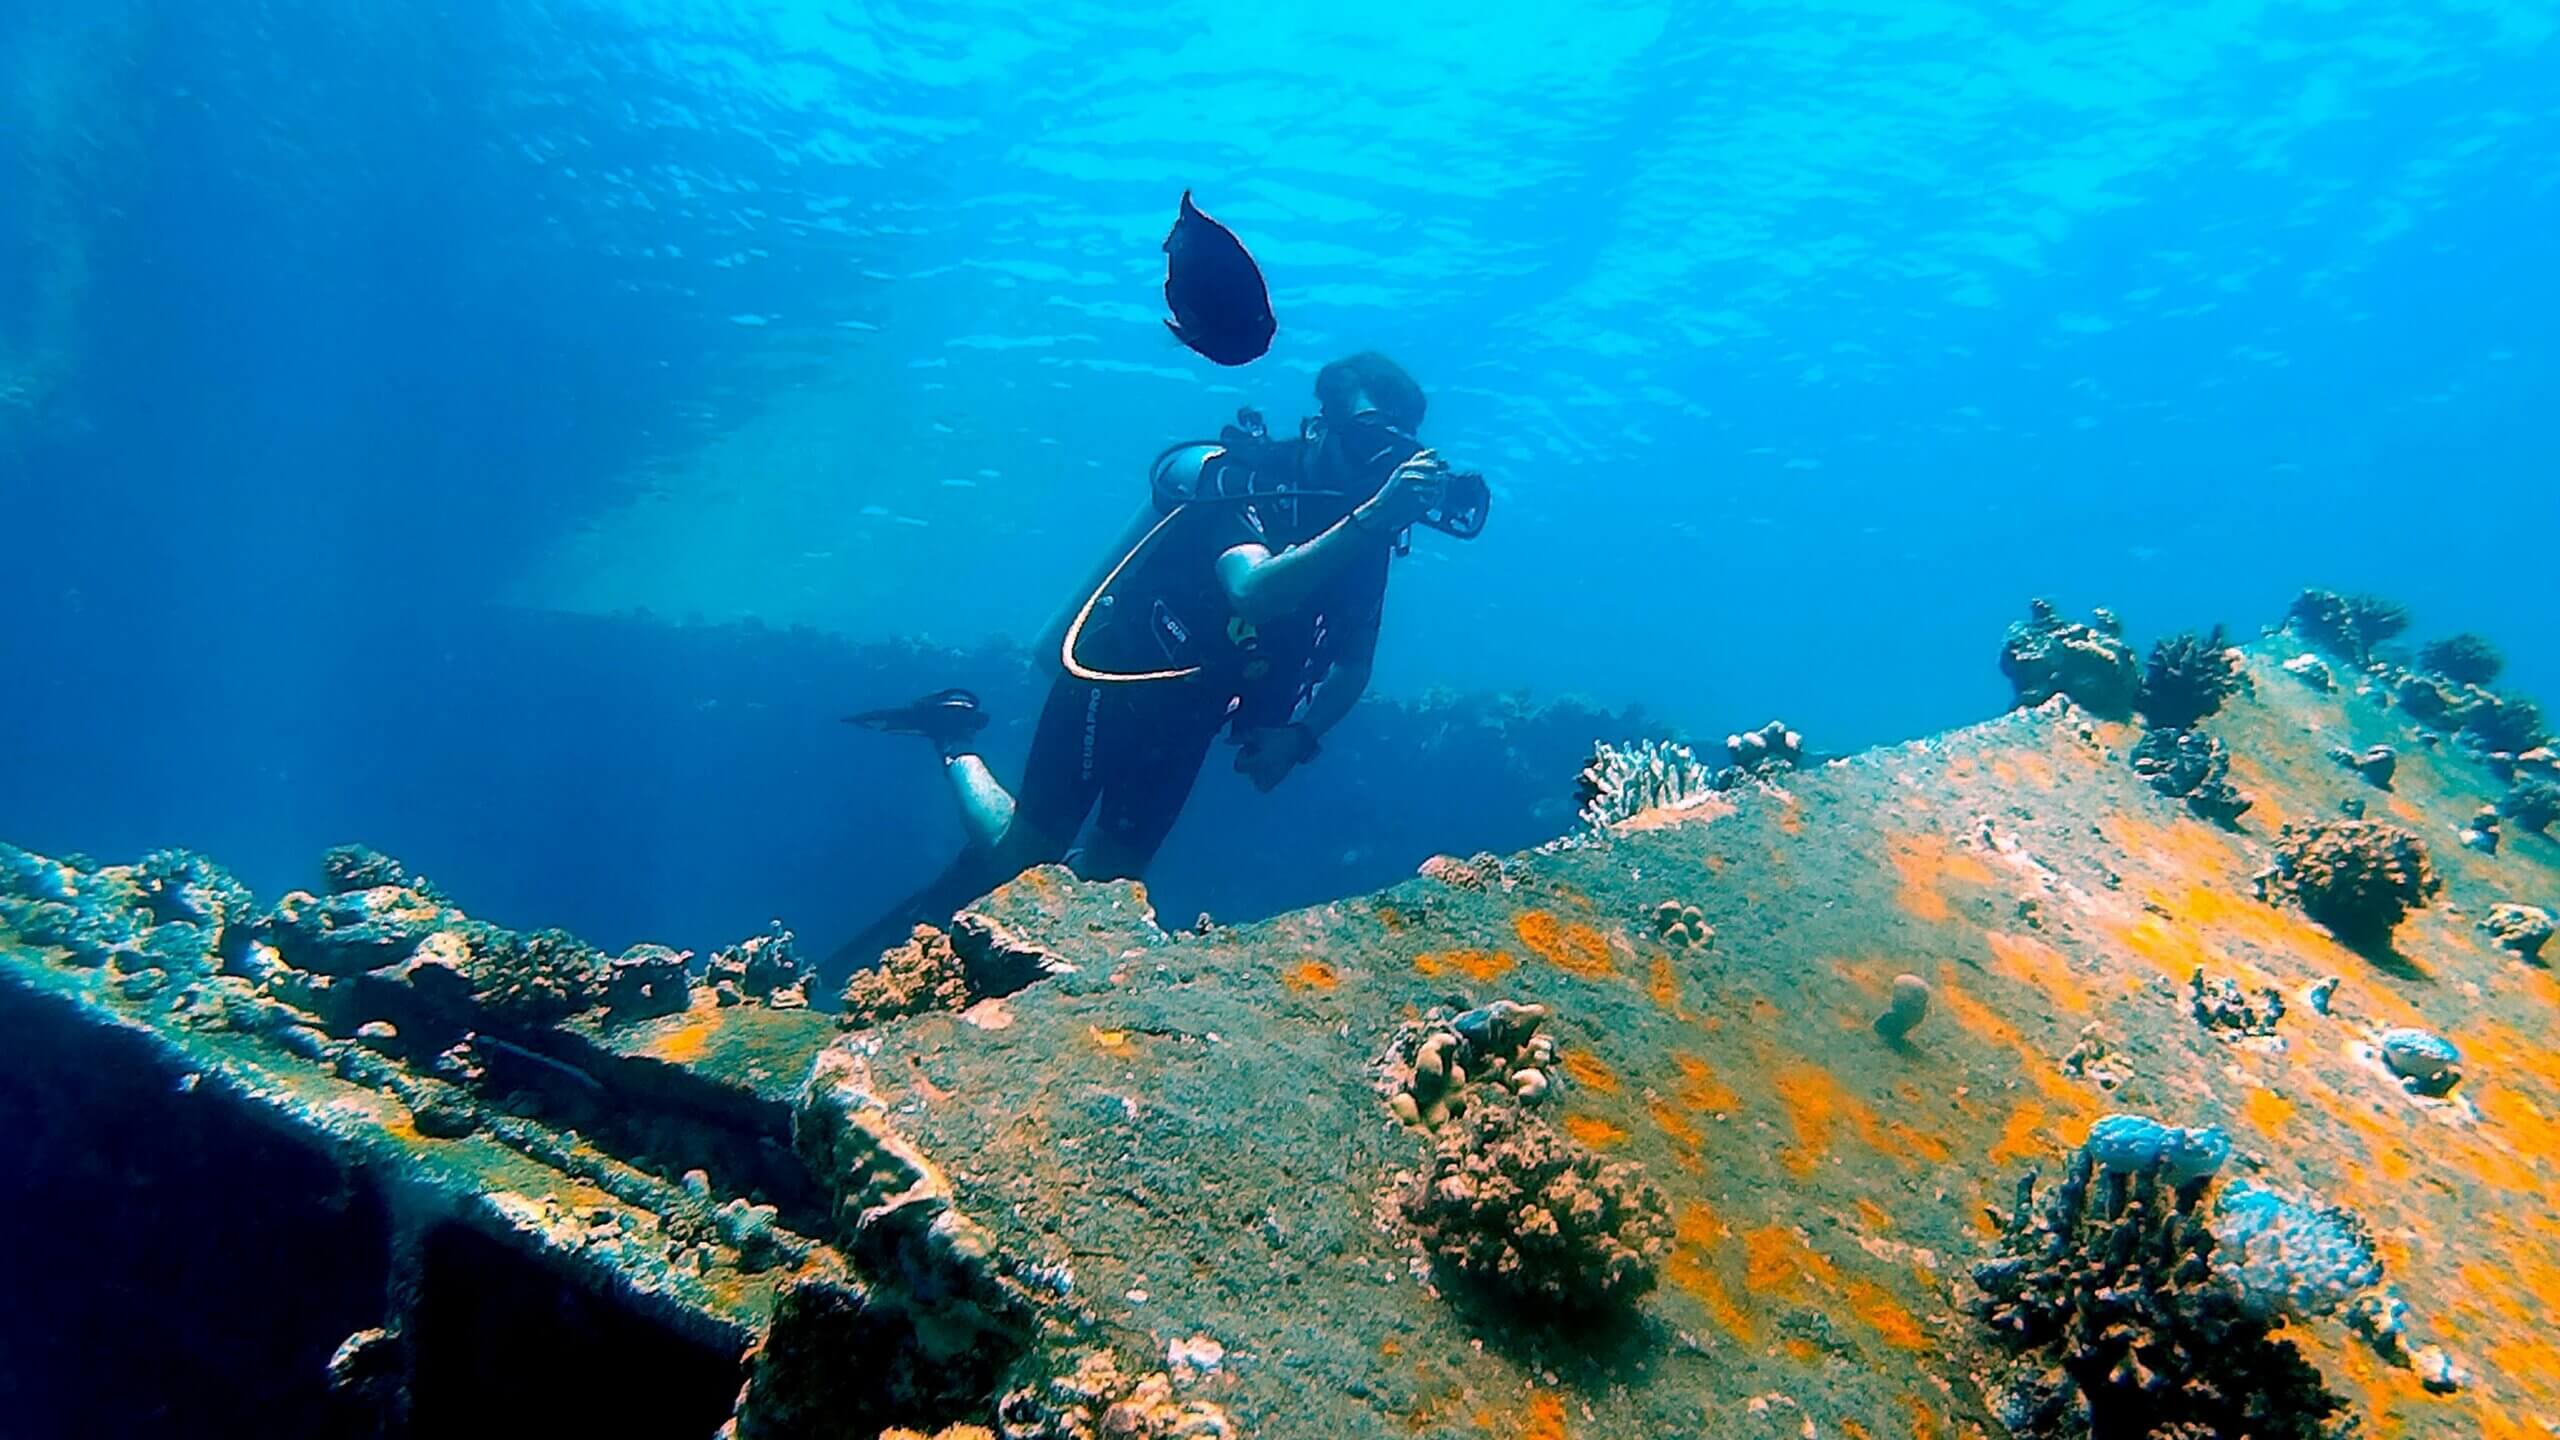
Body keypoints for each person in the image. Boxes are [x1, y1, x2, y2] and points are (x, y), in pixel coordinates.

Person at [829, 351, 1480, 975]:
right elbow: (1251, 590)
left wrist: (1300, 736)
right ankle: (953, 738)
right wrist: (1373, 516)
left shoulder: (1365, 534)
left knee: (1109, 891)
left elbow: (1353, 665)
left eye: (1393, 449)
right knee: (1027, 859)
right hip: (1117, 678)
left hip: (1192, 715)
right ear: (1324, 426)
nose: (1375, 468)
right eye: (1367, 444)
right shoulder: (1243, 481)